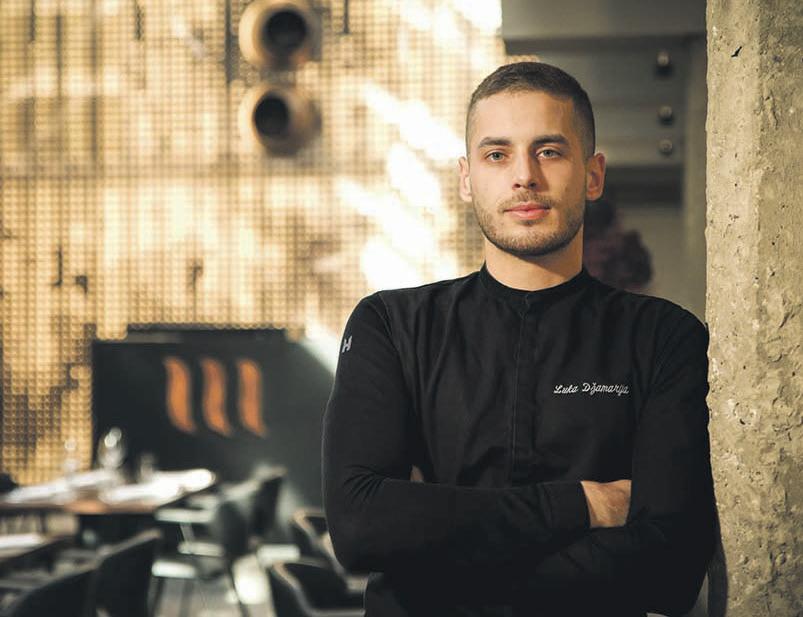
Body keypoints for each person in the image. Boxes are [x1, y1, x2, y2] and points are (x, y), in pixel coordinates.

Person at [322, 62, 716, 617]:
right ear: (466, 179)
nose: (524, 176)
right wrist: (580, 503)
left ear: (594, 175)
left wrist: (431, 567)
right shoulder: (391, 324)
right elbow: (360, 526)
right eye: (497, 155)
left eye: (549, 151)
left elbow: (669, 567)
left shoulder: (663, 337)